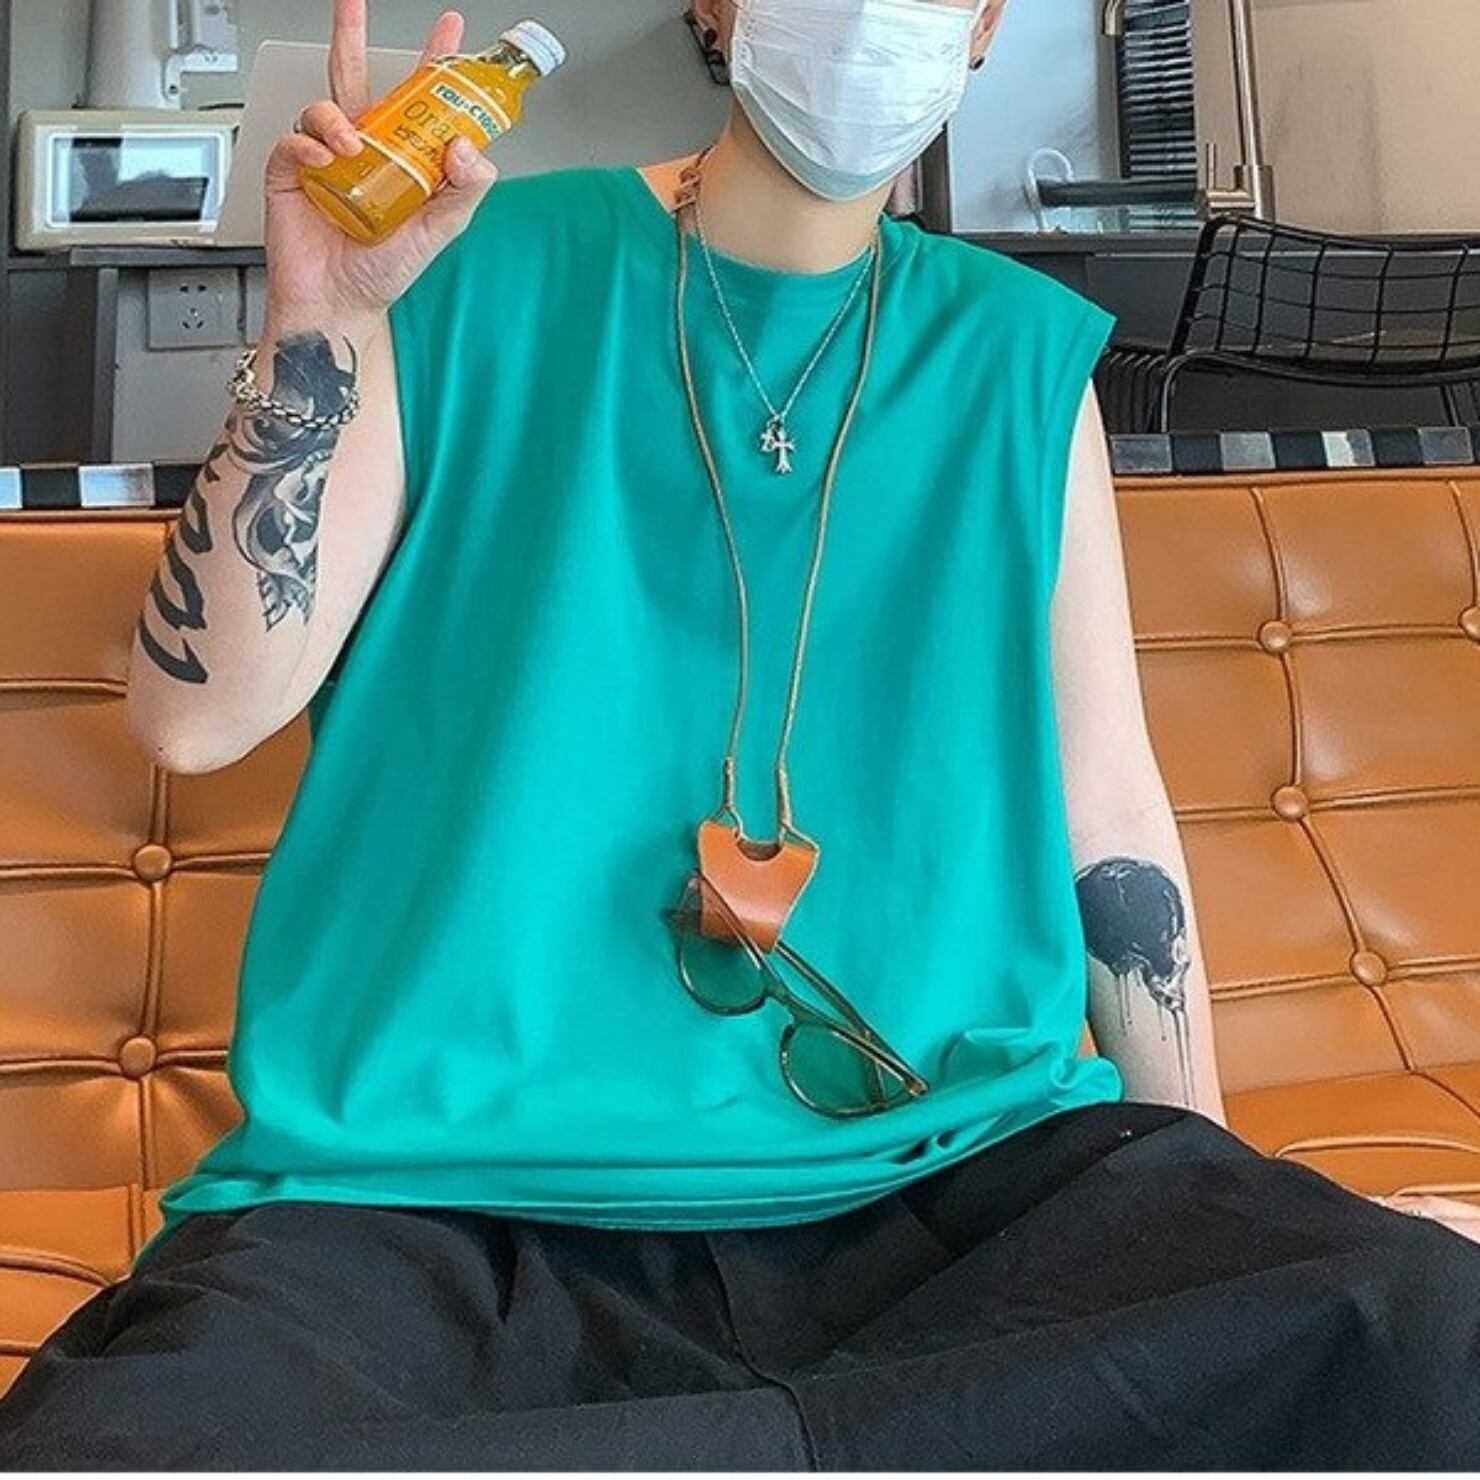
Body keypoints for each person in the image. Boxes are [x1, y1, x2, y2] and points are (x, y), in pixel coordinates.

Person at [3, 0, 1479, 1468]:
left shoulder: (1021, 357)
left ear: (982, 30)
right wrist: (317, 330)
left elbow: (1107, 820)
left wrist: (1222, 1196)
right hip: (443, 1205)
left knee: (1423, 1317)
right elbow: (191, 719)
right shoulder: (457, 266)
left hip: (961, 1184)